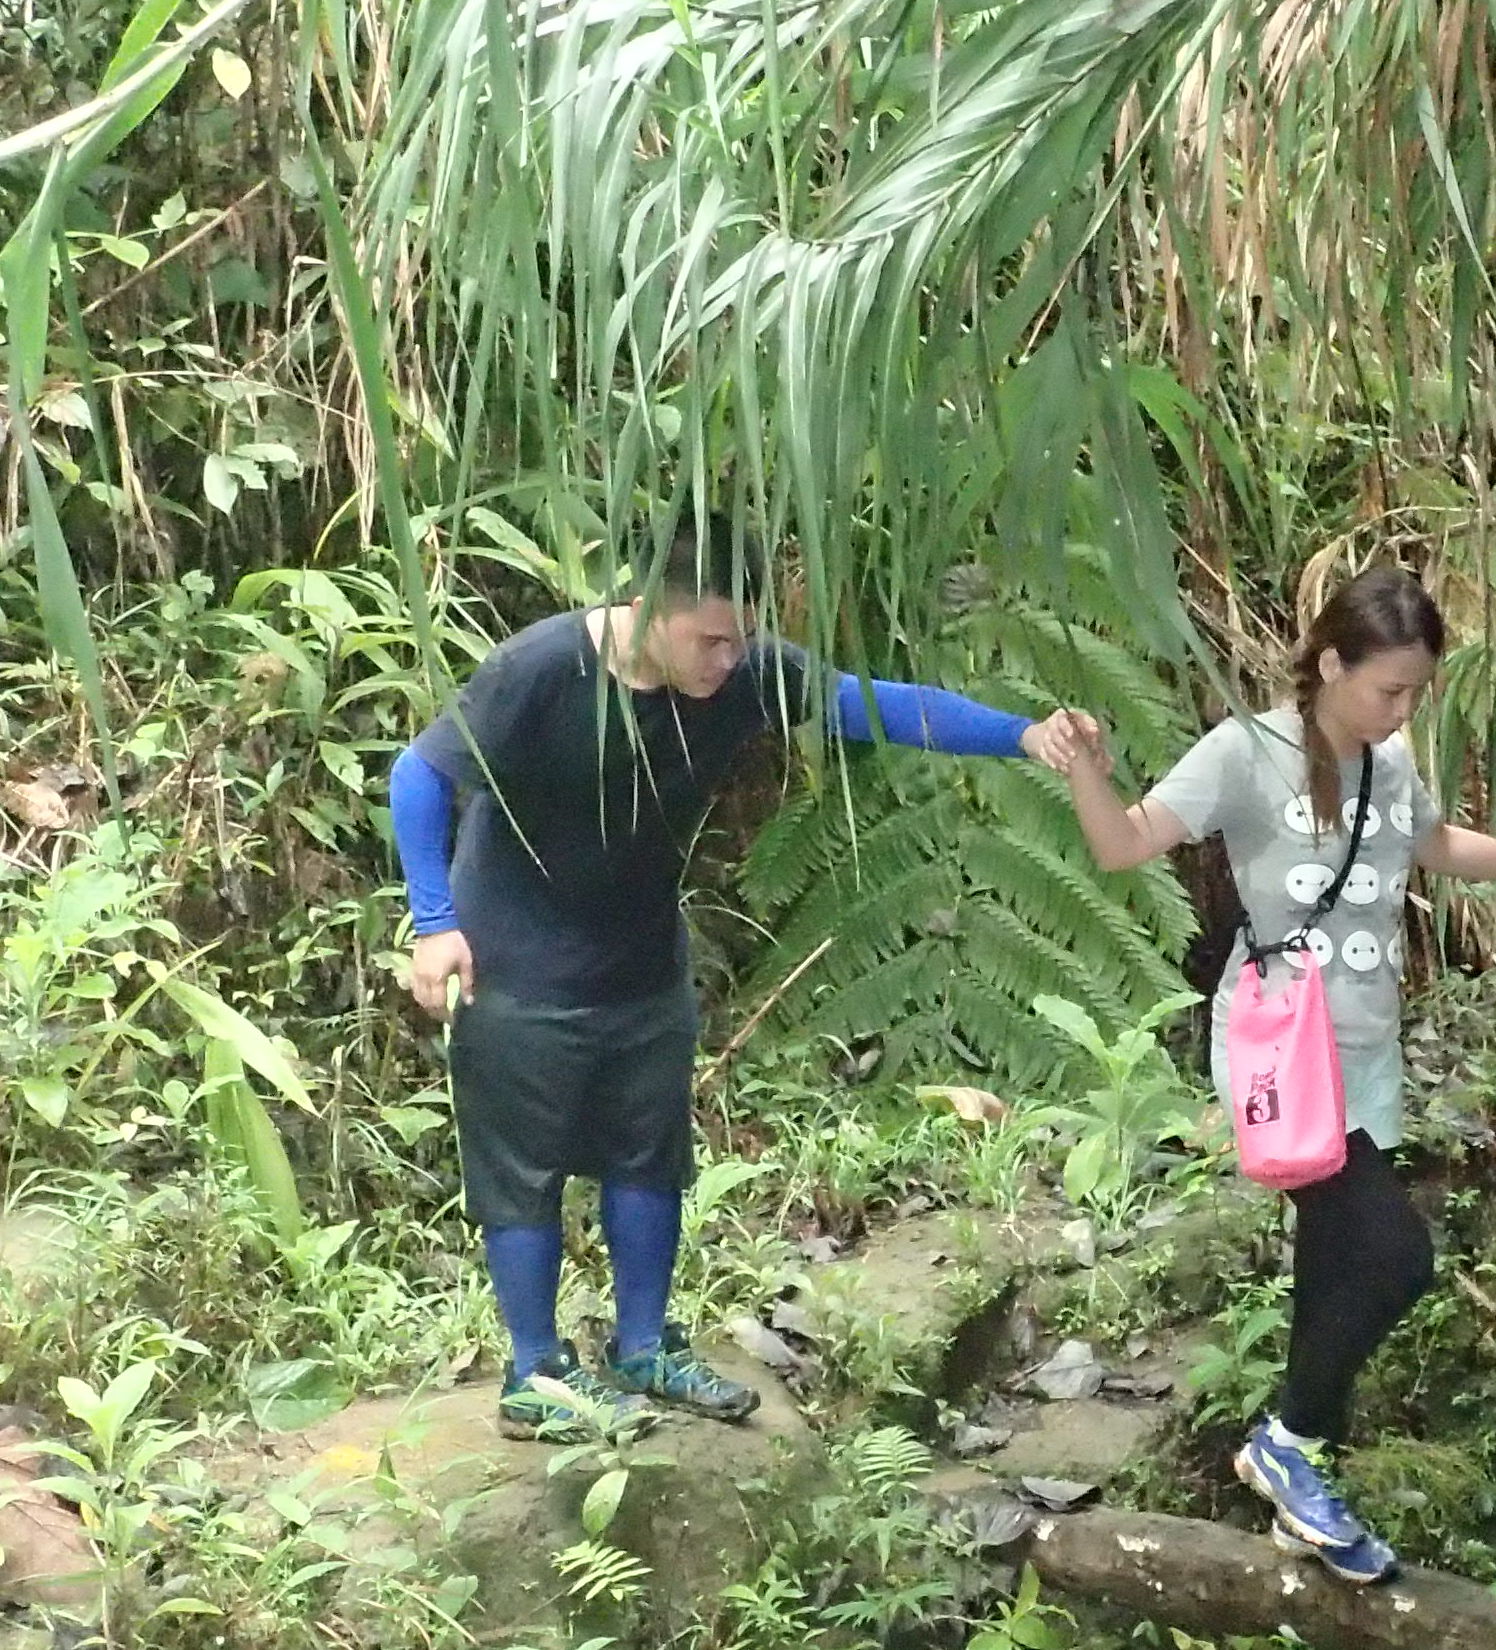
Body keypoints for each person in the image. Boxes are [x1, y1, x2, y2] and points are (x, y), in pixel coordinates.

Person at [389, 522, 1092, 1440]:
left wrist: (1024, 735)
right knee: (522, 1173)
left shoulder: (741, 673)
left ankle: (645, 1347)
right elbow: (420, 774)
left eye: (741, 639)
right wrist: (435, 925)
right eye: (710, 640)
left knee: (650, 1157)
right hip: (517, 967)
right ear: (648, 610)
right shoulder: (543, 669)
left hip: (642, 963)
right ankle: (535, 1375)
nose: (728, 660)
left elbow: (874, 705)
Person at [1032, 567, 1496, 1583]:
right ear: (1328, 665)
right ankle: (1288, 1444)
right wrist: (1087, 770)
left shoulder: (1388, 762)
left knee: (1332, 1262)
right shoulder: (1246, 751)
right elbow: (1124, 843)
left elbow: (1432, 843)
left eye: (1415, 693)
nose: (1402, 711)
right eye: (1388, 690)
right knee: (1396, 1257)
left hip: (1365, 1052)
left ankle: (1297, 1491)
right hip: (1283, 1054)